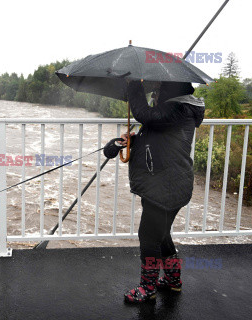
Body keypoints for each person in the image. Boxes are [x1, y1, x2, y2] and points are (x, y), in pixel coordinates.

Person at [105, 80, 205, 303]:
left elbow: (146, 115)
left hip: (166, 186)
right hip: (163, 184)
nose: (156, 95)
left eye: (159, 91)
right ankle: (173, 280)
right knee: (161, 234)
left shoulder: (180, 110)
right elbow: (155, 139)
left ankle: (147, 288)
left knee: (149, 236)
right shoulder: (169, 113)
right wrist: (123, 143)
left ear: (171, 92)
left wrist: (133, 87)